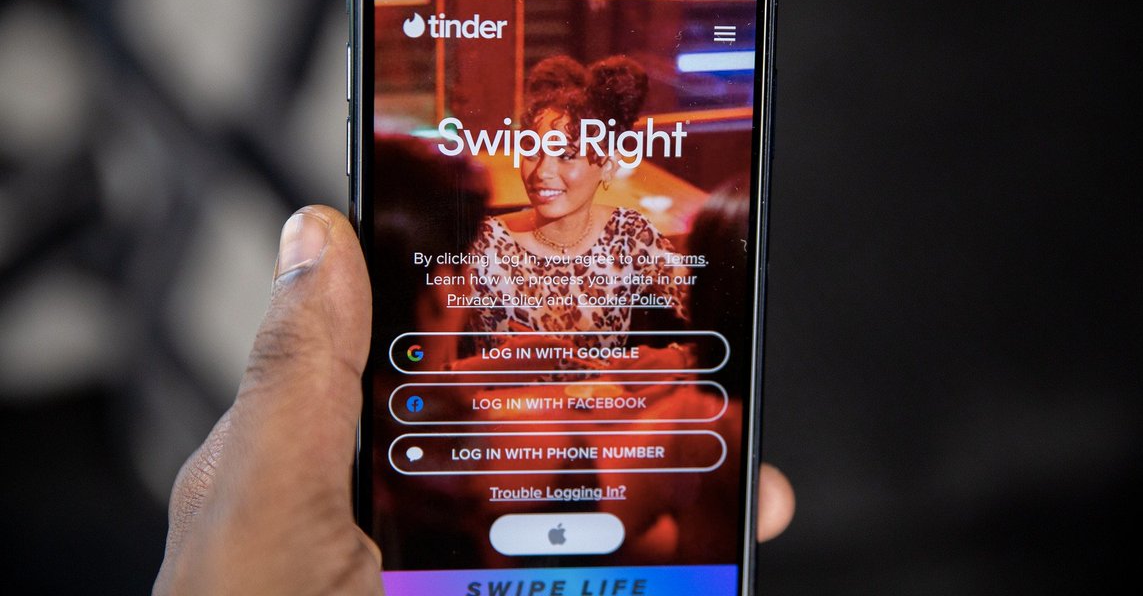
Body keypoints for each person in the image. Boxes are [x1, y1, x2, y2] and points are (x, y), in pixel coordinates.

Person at [153, 206, 795, 594]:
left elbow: (463, 382)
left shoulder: (386, 405)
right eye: (464, 270)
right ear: (438, 295)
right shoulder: (469, 461)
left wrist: (574, 367)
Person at [468, 55, 687, 349]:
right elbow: (431, 356)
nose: (542, 172)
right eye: (533, 152)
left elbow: (719, 315)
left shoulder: (628, 235)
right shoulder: (485, 244)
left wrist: (678, 358)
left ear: (608, 165)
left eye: (566, 156)